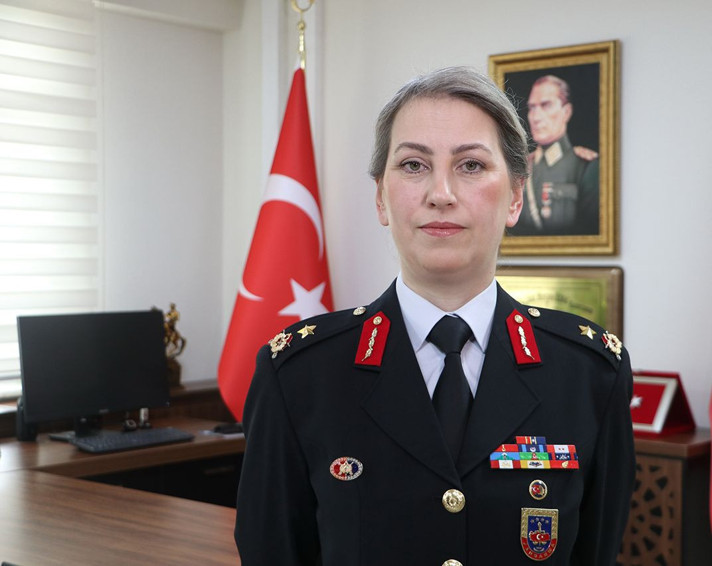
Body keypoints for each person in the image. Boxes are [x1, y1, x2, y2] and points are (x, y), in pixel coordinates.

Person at [235, 66, 635, 565]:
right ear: (380, 197)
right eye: (413, 165)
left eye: (471, 165)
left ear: (515, 197)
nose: (440, 193)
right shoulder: (299, 375)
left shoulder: (590, 373)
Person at [509, 74, 600, 236]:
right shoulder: (520, 168)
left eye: (546, 105)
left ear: (566, 112)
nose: (536, 117)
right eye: (532, 108)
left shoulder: (585, 166)